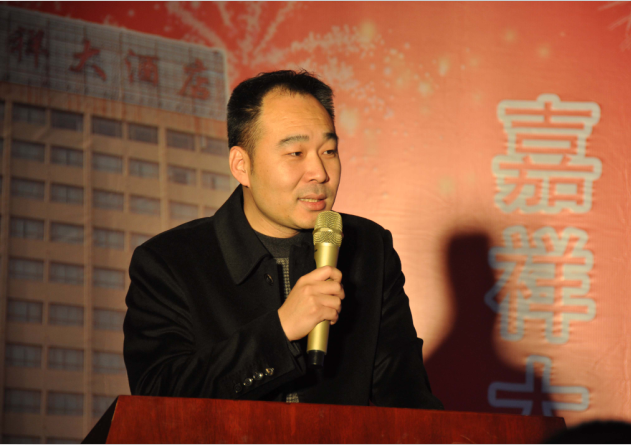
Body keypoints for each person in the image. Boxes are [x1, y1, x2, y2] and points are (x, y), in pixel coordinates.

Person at [123, 70, 443, 409]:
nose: (320, 173)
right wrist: (279, 330)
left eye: (329, 151)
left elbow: (407, 399)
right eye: (295, 153)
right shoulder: (169, 261)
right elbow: (156, 399)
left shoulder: (368, 247)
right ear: (241, 165)